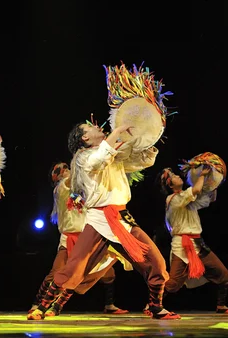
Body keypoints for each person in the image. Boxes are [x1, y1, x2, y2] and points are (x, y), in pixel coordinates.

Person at [27, 122, 180, 320]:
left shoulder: (112, 153)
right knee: (74, 267)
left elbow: (141, 161)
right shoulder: (82, 158)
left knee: (156, 262)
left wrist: (146, 139)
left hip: (122, 219)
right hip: (99, 220)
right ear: (84, 138)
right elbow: (98, 160)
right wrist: (117, 131)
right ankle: (42, 306)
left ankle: (156, 307)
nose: (97, 126)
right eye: (89, 126)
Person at [28, 162, 128, 317]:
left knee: (108, 272)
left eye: (69, 167)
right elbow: (74, 178)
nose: (68, 170)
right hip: (70, 237)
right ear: (57, 177)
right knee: (56, 272)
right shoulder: (61, 188)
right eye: (64, 169)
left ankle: (109, 304)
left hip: (87, 237)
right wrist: (84, 160)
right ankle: (37, 303)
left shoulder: (80, 192)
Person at [150, 164, 228, 314]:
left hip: (198, 243)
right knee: (173, 285)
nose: (178, 176)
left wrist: (214, 181)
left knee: (223, 275)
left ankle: (221, 305)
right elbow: (196, 190)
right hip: (182, 246)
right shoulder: (173, 199)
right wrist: (202, 175)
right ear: (169, 184)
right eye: (173, 176)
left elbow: (208, 198)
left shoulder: (185, 198)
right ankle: (152, 304)